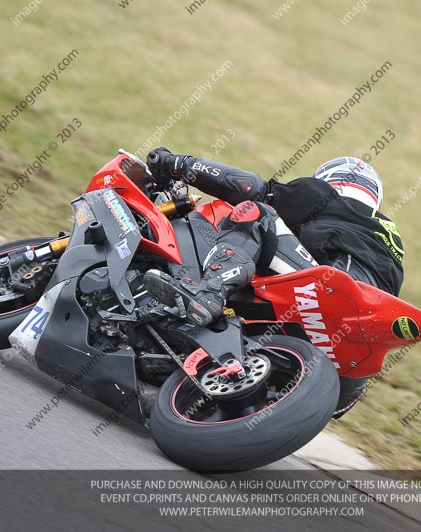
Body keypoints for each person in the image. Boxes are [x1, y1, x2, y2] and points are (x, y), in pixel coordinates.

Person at [143, 148, 405, 416]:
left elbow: (247, 186)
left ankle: (209, 293)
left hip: (325, 288)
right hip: (344, 366)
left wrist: (176, 164)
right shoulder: (393, 244)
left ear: (331, 180)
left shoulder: (324, 196)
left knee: (255, 211)